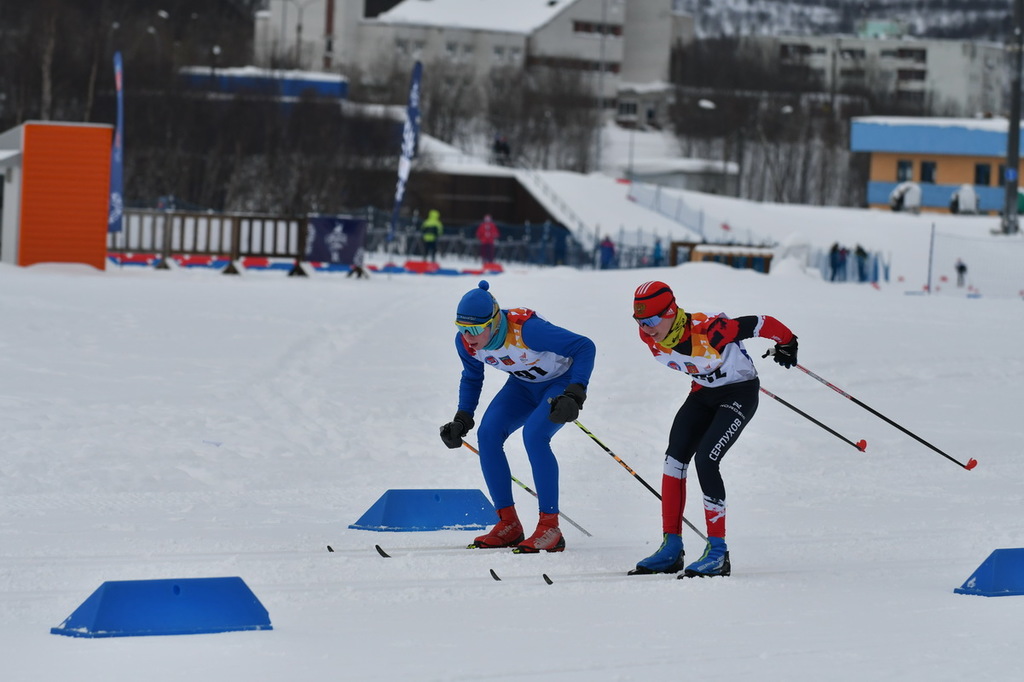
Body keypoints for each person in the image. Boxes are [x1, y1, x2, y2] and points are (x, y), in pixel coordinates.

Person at [627, 280, 798, 577]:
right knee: (674, 460)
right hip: (703, 393)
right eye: (640, 321)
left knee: (706, 459)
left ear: (670, 312)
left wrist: (787, 342)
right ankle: (671, 546)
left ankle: (717, 552)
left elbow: (762, 323)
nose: (647, 328)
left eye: (652, 320)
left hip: (738, 394)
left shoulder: (711, 331)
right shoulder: (649, 336)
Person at [439, 280, 596, 553]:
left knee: (534, 436)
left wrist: (574, 393)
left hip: (559, 383)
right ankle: (508, 523)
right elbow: (472, 377)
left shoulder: (528, 330)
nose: (468, 336)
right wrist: (462, 417)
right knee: (487, 435)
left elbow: (584, 347)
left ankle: (550, 527)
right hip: (522, 387)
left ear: (494, 322)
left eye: (475, 329)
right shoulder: (466, 344)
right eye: (462, 329)